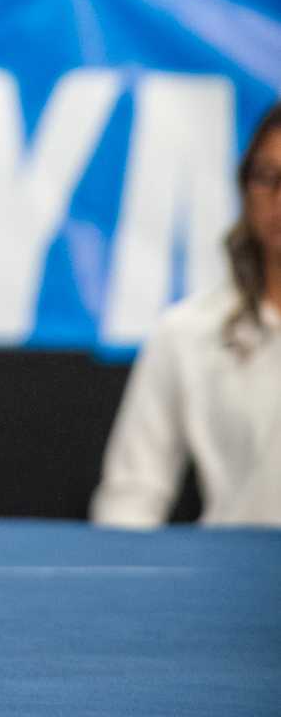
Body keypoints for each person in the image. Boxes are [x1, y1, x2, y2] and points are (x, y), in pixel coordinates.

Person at [91, 99, 281, 528]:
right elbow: (131, 495)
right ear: (245, 188)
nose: (280, 199)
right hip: (236, 580)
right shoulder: (189, 331)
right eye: (267, 178)